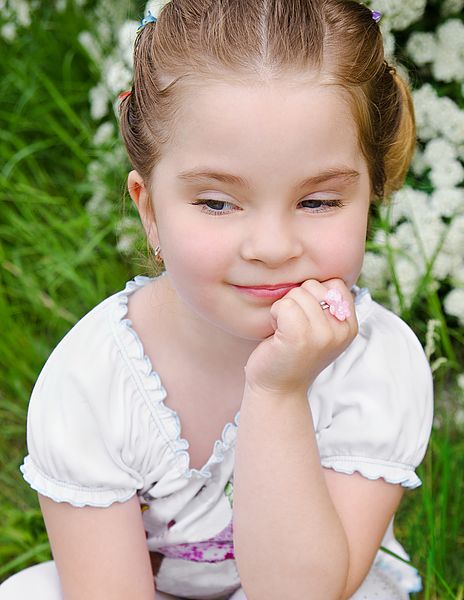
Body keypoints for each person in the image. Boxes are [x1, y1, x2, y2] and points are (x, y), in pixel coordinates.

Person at [0, 1, 434, 598]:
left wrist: (278, 393)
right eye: (217, 203)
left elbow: (302, 593)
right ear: (149, 208)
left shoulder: (374, 366)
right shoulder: (94, 381)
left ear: (370, 195)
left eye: (318, 202)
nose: (273, 247)